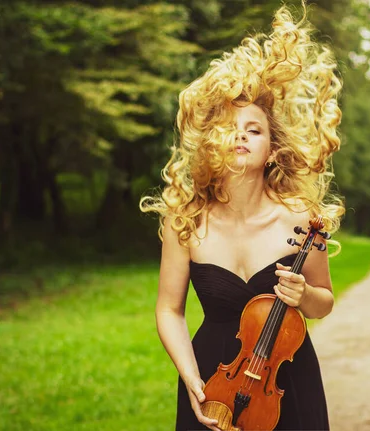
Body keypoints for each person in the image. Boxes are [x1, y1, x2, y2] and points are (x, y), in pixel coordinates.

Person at [140, 3, 344, 430]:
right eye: (230, 128)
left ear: (273, 148)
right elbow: (168, 310)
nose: (241, 136)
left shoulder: (299, 218)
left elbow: (323, 301)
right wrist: (193, 380)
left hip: (285, 379)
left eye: (254, 129)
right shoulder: (187, 219)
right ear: (210, 142)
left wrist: (303, 295)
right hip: (213, 378)